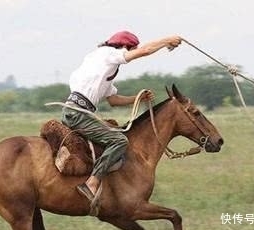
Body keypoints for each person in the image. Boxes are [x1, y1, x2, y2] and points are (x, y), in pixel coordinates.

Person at [61, 31, 182, 202]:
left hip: (76, 111)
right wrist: (166, 40)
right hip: (78, 113)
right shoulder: (108, 54)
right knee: (119, 141)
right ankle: (92, 183)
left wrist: (138, 98)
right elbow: (145, 51)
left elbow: (113, 100)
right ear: (125, 46)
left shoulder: (102, 67)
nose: (132, 52)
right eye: (132, 49)